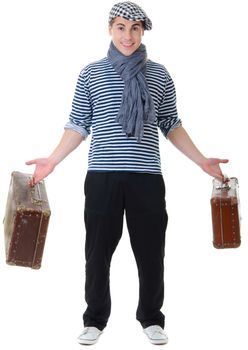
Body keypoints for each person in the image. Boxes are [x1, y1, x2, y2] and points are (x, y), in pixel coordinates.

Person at [26, 1, 228, 346]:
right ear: (110, 29)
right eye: (121, 27)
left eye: (135, 28)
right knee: (97, 252)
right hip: (102, 177)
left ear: (143, 31)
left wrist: (201, 160)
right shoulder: (91, 73)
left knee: (151, 252)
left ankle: (151, 317)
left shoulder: (160, 74)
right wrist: (53, 160)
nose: (128, 36)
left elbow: (170, 123)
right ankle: (94, 319)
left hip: (146, 178)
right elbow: (78, 124)